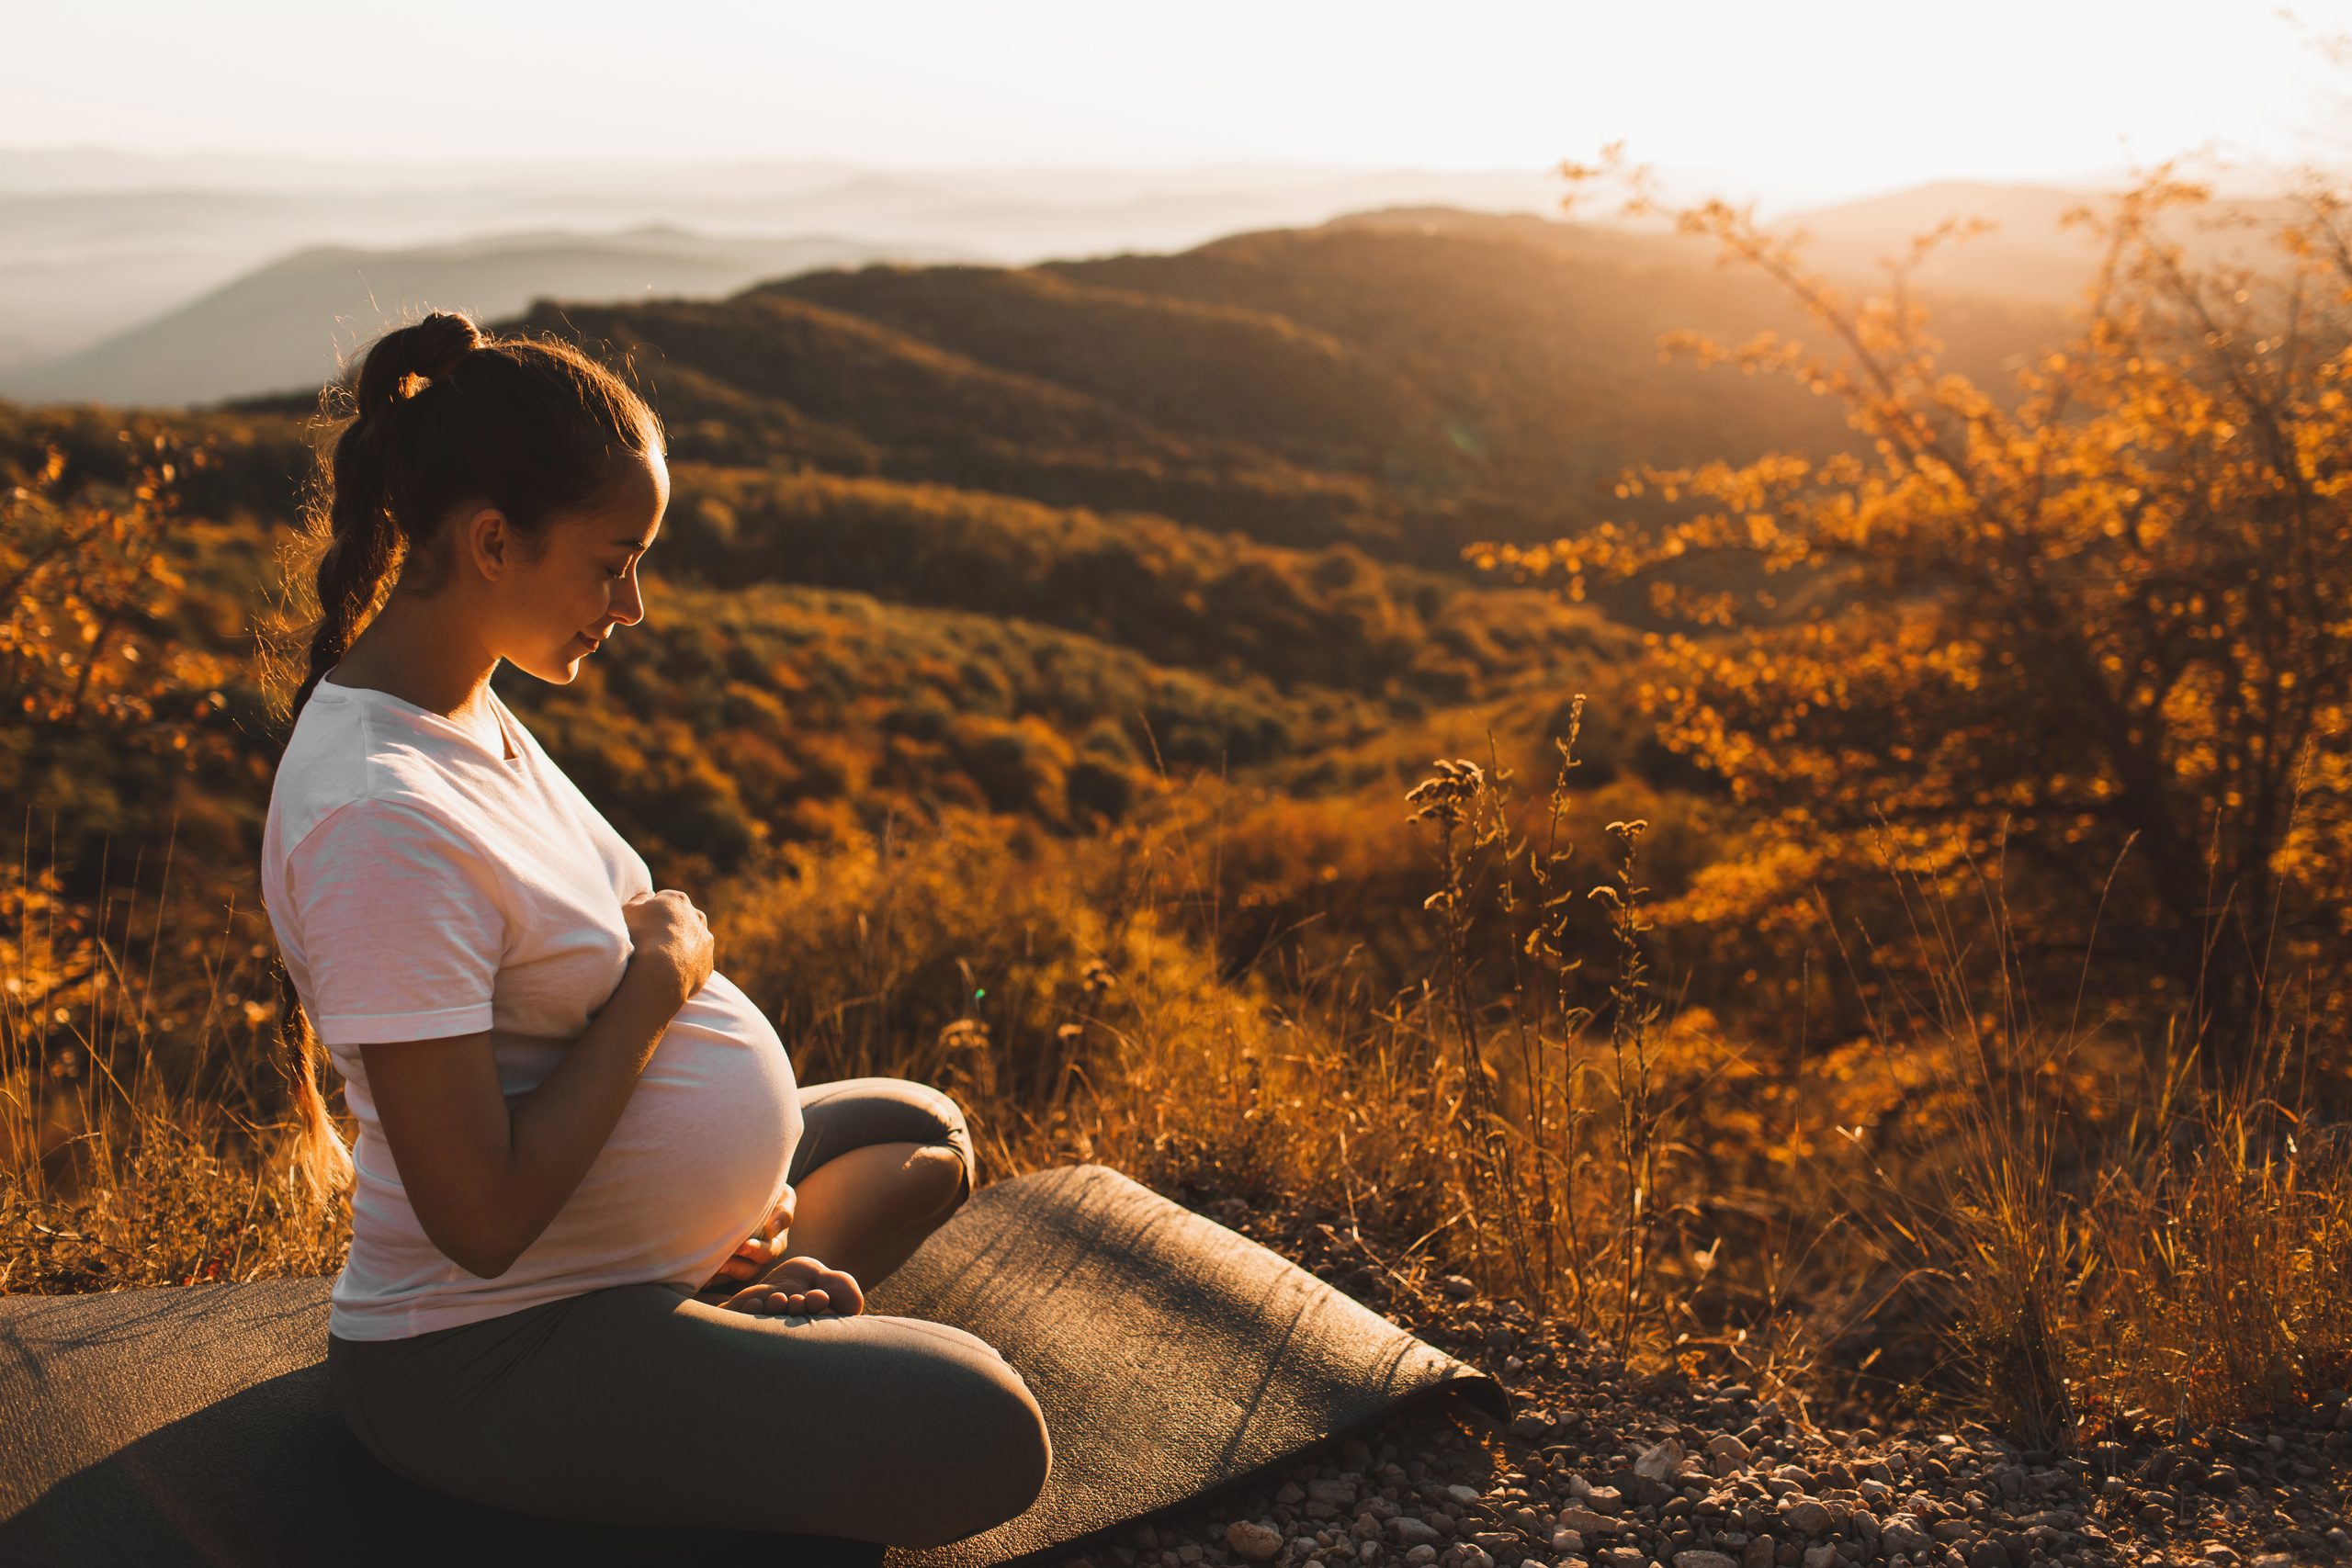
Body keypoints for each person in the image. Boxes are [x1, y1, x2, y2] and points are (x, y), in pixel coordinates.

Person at [256, 309, 1052, 1549]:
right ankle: (709, 1328)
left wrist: (706, 1179)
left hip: (608, 1254)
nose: (632, 605)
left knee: (923, 1130)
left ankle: (728, 1292)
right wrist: (662, 980)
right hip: (489, 1351)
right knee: (986, 1427)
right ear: (491, 541)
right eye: (614, 560)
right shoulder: (379, 819)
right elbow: (478, 1222)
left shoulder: (466, 705)